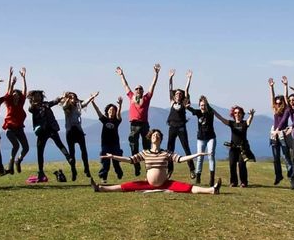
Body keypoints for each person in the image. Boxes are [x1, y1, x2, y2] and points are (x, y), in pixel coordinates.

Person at [90, 129, 221, 195]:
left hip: (166, 184)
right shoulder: (145, 152)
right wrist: (113, 156)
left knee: (187, 187)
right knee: (126, 186)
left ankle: (211, 190)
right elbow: (130, 160)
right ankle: (100, 188)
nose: (155, 136)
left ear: (160, 139)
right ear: (150, 138)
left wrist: (197, 155)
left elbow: (180, 159)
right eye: (153, 135)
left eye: (158, 135)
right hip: (148, 184)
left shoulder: (166, 153)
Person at [116, 64, 161, 176]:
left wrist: (156, 73)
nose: (138, 90)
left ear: (142, 91)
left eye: (140, 89)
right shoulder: (131, 96)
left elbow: (153, 85)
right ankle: (137, 166)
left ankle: (148, 168)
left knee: (146, 147)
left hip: (144, 124)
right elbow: (125, 85)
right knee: (133, 146)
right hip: (134, 124)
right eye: (136, 89)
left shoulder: (146, 98)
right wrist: (121, 75)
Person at [27, 89, 76, 182]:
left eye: (39, 96)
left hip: (51, 128)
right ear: (32, 98)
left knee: (59, 143)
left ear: (41, 97)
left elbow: (55, 101)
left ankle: (68, 157)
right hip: (42, 131)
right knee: (40, 150)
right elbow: (30, 108)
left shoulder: (46, 104)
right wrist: (33, 102)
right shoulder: (32, 108)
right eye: (35, 96)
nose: (37, 97)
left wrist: (63, 96)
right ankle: (41, 172)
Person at [213, 106, 256, 187]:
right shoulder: (232, 124)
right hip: (233, 148)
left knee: (241, 165)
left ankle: (244, 182)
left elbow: (249, 121)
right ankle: (233, 182)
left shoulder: (244, 123)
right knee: (232, 165)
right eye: (235, 113)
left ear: (242, 114)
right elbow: (221, 119)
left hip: (242, 149)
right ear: (233, 114)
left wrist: (251, 115)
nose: (237, 114)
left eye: (239, 113)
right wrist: (214, 112)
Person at [62, 90, 99, 181]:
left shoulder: (78, 106)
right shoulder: (67, 107)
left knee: (84, 151)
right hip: (70, 131)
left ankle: (87, 170)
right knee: (72, 153)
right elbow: (64, 106)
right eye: (71, 98)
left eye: (74, 97)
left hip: (78, 131)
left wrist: (91, 98)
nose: (73, 99)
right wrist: (67, 99)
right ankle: (74, 172)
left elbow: (84, 103)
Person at [166, 69, 196, 179]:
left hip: (181, 127)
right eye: (176, 93)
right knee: (170, 149)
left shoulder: (184, 103)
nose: (178, 94)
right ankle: (170, 170)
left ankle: (192, 169)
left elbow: (187, 89)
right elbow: (169, 89)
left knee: (186, 148)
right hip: (172, 127)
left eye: (180, 93)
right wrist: (170, 78)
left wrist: (189, 79)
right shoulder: (172, 102)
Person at [186, 95, 219, 186]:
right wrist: (187, 106)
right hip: (201, 138)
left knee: (211, 156)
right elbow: (191, 110)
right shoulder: (198, 113)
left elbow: (208, 107)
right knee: (200, 157)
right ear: (199, 106)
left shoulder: (210, 112)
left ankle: (212, 179)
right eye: (201, 105)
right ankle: (198, 178)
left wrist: (206, 101)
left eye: (204, 105)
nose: (203, 107)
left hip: (211, 137)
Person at [91, 96, 124, 183]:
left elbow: (119, 115)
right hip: (105, 144)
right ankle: (103, 177)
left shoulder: (117, 121)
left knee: (116, 161)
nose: (111, 111)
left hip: (115, 144)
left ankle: (119, 173)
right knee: (105, 162)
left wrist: (120, 105)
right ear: (107, 111)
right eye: (110, 109)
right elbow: (98, 111)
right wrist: (93, 102)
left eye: (113, 110)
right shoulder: (104, 120)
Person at [2, 67, 29, 174]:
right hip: (10, 128)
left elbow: (25, 91)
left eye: (17, 95)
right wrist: (10, 79)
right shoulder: (9, 103)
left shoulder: (21, 103)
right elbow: (8, 91)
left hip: (19, 128)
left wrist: (23, 78)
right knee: (16, 145)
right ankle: (11, 162)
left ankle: (18, 160)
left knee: (26, 148)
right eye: (14, 95)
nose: (16, 96)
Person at [268, 78, 293, 185]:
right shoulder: (274, 109)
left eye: (279, 103)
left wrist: (285, 86)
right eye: (276, 103)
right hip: (274, 134)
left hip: (283, 134)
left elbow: (283, 121)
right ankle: (278, 176)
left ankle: (291, 175)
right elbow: (272, 99)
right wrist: (271, 87)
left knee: (286, 155)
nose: (277, 104)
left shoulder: (287, 109)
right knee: (276, 157)